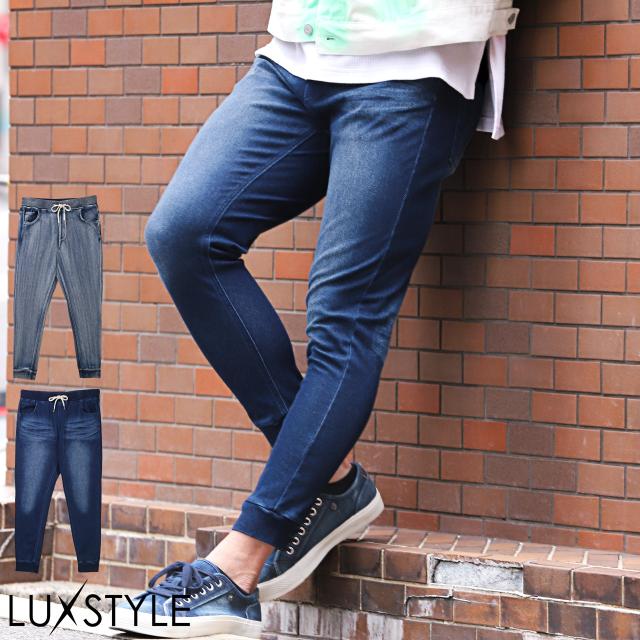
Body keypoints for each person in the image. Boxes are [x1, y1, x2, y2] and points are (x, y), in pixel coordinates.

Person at [113, 1, 518, 637]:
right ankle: (328, 479)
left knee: (342, 319)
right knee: (185, 234)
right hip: (299, 51)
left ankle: (237, 572)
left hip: (413, 63)